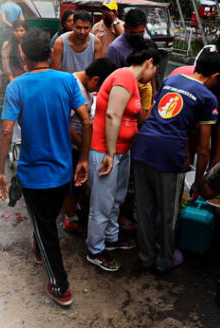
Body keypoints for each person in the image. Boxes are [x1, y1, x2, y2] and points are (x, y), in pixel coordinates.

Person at [0, 28, 92, 307]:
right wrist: (83, 159)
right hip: (63, 171)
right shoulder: (67, 81)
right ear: (50, 53)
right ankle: (40, 244)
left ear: (23, 55)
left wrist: (0, 171)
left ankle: (60, 286)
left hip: (34, 175)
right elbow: (86, 121)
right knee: (46, 220)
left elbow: (5, 132)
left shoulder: (16, 87)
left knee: (47, 227)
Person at [131, 52, 220, 272]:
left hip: (143, 146)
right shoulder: (207, 97)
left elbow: (167, 115)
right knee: (168, 212)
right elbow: (204, 149)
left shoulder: (172, 80)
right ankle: (164, 260)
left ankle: (146, 257)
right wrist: (198, 180)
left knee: (144, 209)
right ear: (215, 76)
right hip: (168, 155)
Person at [86, 39, 161, 272]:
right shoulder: (124, 77)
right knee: (102, 203)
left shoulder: (135, 82)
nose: (155, 74)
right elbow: (112, 115)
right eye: (156, 69)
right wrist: (109, 153)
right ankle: (95, 250)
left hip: (121, 151)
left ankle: (111, 238)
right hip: (106, 151)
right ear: (149, 62)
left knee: (116, 199)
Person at [63, 58, 117, 235]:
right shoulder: (75, 88)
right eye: (100, 87)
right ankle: (70, 220)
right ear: (95, 79)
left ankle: (74, 210)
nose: (99, 91)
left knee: (77, 183)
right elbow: (65, 123)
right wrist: (82, 144)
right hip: (70, 144)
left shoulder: (79, 83)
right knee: (72, 184)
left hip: (77, 144)